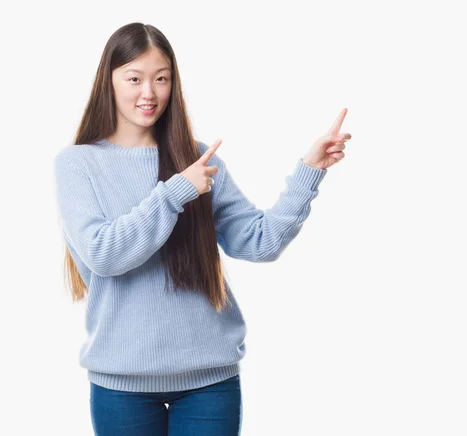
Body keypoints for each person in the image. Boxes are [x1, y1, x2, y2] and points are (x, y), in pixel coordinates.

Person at [53, 22, 351, 436]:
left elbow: (259, 242)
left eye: (162, 79)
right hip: (119, 384)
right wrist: (175, 192)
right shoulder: (78, 164)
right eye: (134, 78)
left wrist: (309, 172)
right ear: (109, 80)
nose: (149, 93)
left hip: (209, 382)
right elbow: (104, 254)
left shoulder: (196, 156)